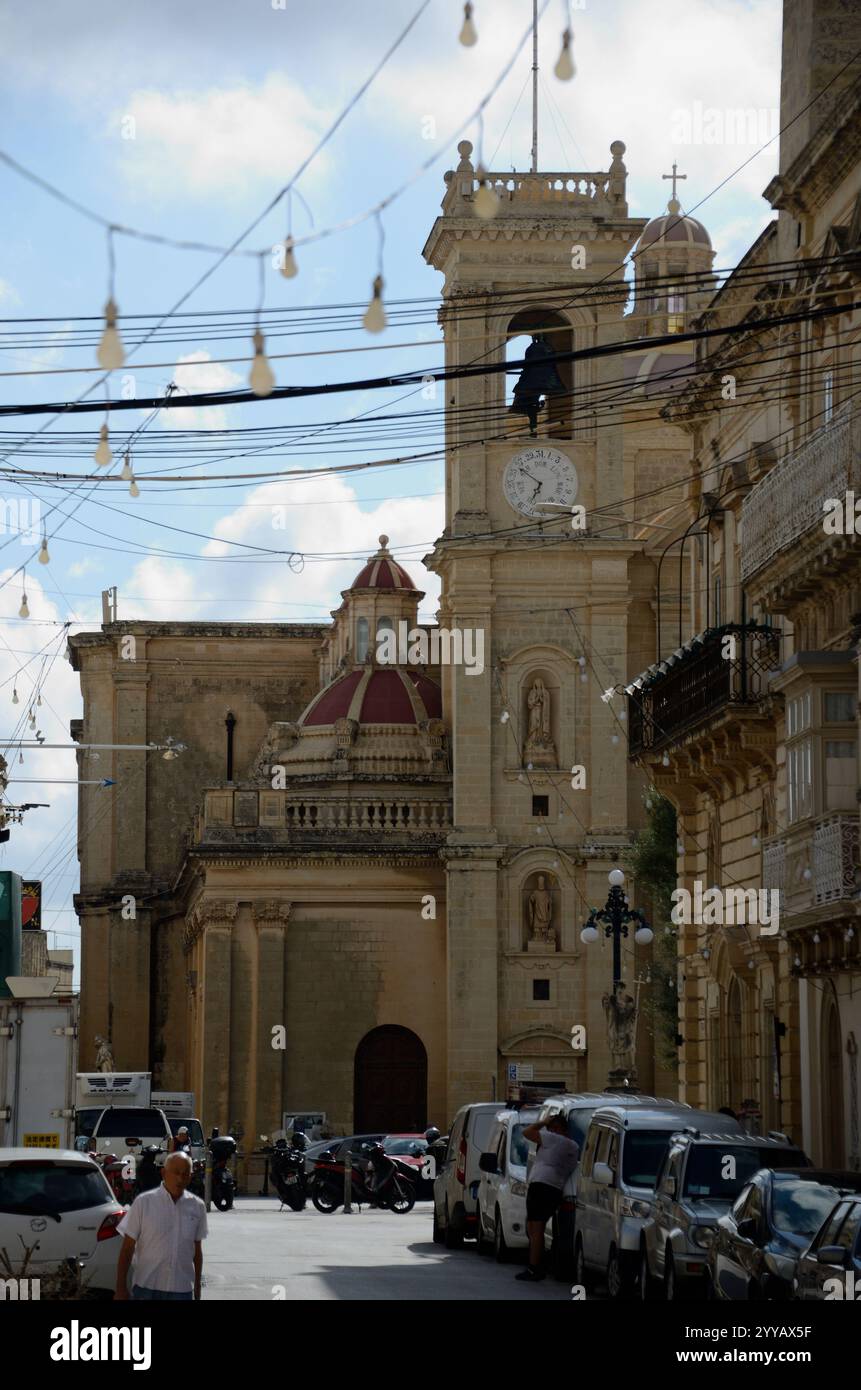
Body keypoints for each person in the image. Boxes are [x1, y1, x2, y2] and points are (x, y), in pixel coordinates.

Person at [114, 1151, 207, 1301]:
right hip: (146, 1288)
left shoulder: (197, 1207)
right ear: (163, 1173)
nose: (180, 1178)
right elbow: (127, 1248)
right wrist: (120, 1288)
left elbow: (197, 1251)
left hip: (181, 1289)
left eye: (185, 1174)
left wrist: (197, 1288)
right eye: (176, 1172)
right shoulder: (143, 1203)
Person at [515, 1112, 580, 1283]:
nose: (550, 1131)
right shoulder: (572, 1146)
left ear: (563, 1130)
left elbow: (527, 1132)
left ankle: (534, 1268)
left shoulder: (555, 1140)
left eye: (554, 1128)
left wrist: (543, 1122)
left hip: (543, 1186)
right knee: (534, 1227)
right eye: (549, 1129)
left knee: (536, 1229)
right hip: (551, 1187)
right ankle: (537, 1265)